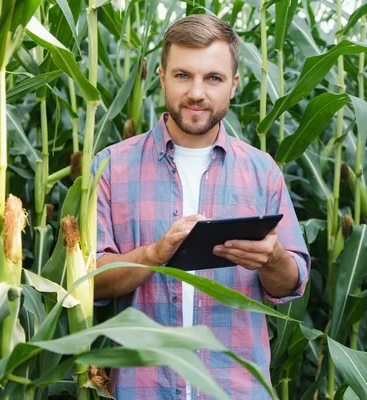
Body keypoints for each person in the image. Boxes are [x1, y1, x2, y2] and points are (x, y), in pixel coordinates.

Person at [91, 14, 310, 399]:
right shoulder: (111, 167)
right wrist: (154, 254)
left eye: (213, 78)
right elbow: (88, 281)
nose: (196, 92)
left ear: (233, 86)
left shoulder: (262, 171)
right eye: (182, 76)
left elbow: (291, 283)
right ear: (161, 77)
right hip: (143, 389)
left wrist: (273, 258)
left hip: (237, 390)